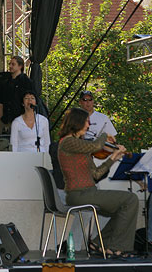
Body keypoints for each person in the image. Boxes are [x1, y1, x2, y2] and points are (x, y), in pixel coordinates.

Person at [58, 107, 138, 258]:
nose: (88, 125)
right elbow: (95, 146)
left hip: (88, 192)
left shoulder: (79, 145)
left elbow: (96, 174)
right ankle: (115, 247)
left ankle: (98, 243)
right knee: (131, 199)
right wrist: (104, 135)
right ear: (77, 122)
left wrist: (114, 157)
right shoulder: (67, 142)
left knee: (124, 206)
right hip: (78, 194)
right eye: (86, 122)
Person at [0, 56, 33, 129]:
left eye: (13, 64)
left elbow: (30, 101)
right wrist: (1, 118)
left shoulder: (26, 81)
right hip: (7, 120)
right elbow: (0, 102)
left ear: (20, 66)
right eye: (9, 64)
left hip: (21, 119)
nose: (10, 66)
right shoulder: (5, 83)